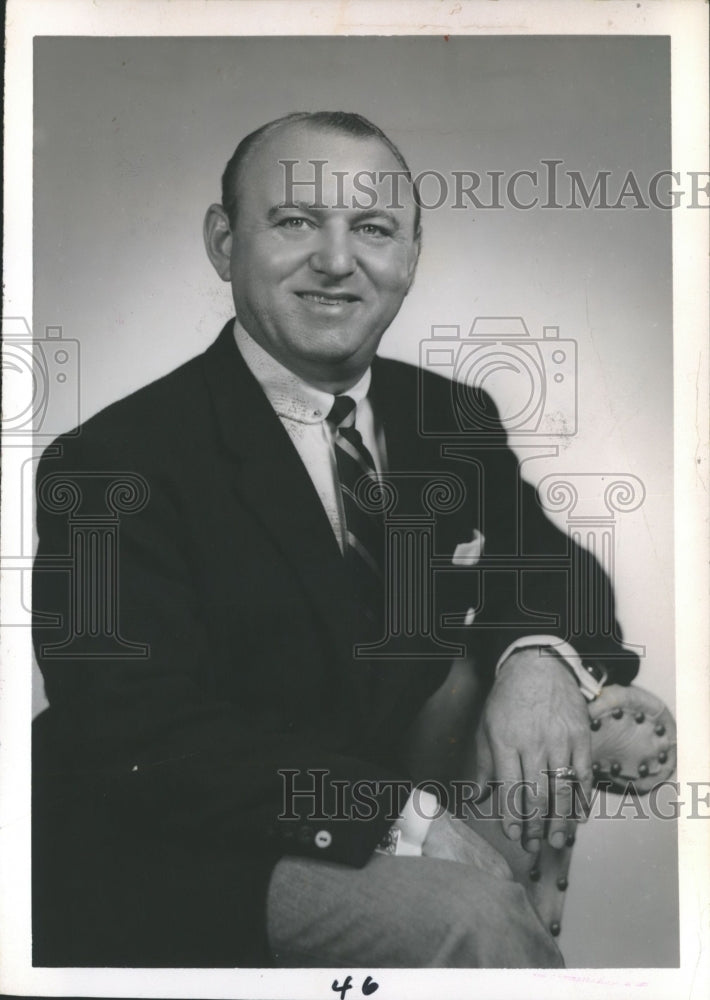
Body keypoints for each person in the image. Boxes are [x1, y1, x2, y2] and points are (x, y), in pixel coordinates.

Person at [32, 111, 639, 969]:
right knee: (478, 922)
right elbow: (137, 735)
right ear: (222, 241)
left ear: (412, 255)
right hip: (184, 854)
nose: (336, 260)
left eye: (374, 228)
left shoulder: (448, 416)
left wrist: (535, 658)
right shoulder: (108, 462)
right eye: (295, 221)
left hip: (371, 799)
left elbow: (551, 566)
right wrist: (406, 821)